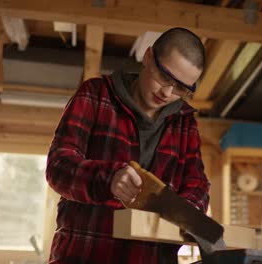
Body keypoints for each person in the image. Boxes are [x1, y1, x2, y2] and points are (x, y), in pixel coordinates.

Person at [46, 27, 210, 264]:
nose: (167, 92)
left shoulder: (185, 123)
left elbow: (198, 184)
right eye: (164, 76)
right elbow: (59, 165)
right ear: (148, 57)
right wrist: (107, 179)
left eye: (182, 88)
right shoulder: (95, 95)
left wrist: (188, 211)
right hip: (83, 255)